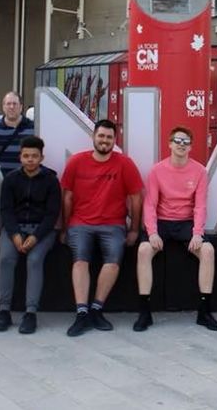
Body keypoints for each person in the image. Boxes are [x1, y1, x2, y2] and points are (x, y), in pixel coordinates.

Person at [134, 126, 217, 332]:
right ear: (170, 144)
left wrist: (198, 233)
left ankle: (204, 311)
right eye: (178, 141)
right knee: (144, 250)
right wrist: (153, 232)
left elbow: (200, 205)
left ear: (190, 147)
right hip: (162, 222)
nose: (181, 145)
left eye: (186, 142)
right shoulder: (157, 170)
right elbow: (150, 205)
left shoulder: (200, 171)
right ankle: (144, 312)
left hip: (186, 222)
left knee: (208, 250)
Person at [61, 119, 143, 337]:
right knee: (79, 260)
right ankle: (81, 313)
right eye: (101, 136)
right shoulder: (76, 162)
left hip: (113, 224)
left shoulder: (125, 163)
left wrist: (134, 229)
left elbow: (136, 198)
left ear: (114, 140)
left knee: (114, 260)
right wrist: (64, 227)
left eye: (109, 137)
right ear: (93, 136)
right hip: (80, 222)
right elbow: (67, 197)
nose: (104, 140)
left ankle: (96, 309)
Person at [0, 135, 60, 334]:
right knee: (5, 258)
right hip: (14, 229)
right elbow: (6, 210)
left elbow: (52, 213)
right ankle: (4, 311)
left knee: (35, 260)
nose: (30, 159)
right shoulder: (11, 179)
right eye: (26, 156)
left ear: (41, 157)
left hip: (42, 230)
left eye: (34, 156)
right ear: (20, 157)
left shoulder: (51, 180)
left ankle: (30, 313)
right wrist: (15, 234)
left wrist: (36, 236)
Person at [0, 91, 34, 175]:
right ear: (3, 107)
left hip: (25, 181)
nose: (11, 107)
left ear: (21, 107)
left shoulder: (33, 128)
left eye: (15, 104)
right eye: (8, 104)